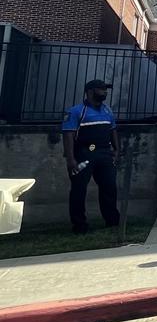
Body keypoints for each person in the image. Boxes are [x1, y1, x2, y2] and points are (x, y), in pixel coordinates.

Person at [62, 79, 121, 234]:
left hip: (104, 152)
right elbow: (68, 134)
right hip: (84, 153)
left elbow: (113, 130)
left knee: (109, 186)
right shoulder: (76, 111)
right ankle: (79, 225)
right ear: (90, 91)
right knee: (79, 189)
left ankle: (112, 221)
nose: (105, 92)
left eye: (105, 89)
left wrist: (116, 149)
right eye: (101, 89)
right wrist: (70, 159)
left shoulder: (107, 110)